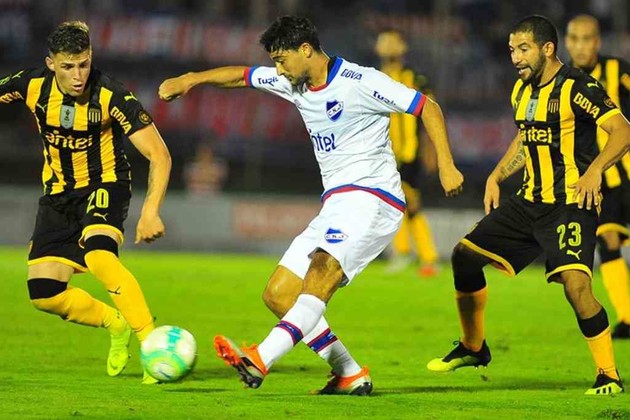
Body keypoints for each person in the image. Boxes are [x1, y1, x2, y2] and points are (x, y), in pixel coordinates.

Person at [159, 15, 463, 393]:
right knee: (279, 294)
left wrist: (446, 165)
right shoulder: (293, 80)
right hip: (335, 204)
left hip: (373, 198)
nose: (277, 69)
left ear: (305, 50)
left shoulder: (361, 81)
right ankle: (350, 373)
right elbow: (241, 76)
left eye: (281, 60)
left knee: (321, 271)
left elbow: (427, 107)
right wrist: (190, 79)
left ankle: (261, 358)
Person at [426, 15, 630, 395]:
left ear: (547, 49)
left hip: (571, 203)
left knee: (576, 286)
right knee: (464, 256)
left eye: (523, 49)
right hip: (527, 202)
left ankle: (608, 374)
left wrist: (595, 171)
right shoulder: (521, 90)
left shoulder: (578, 86)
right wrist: (496, 175)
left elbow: (622, 130)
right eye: (511, 50)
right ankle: (473, 347)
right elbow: (525, 137)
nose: (515, 58)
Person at [0, 21, 172, 384]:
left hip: (105, 183)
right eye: (68, 66)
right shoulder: (30, 85)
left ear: (90, 57)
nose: (78, 76)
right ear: (51, 64)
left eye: (83, 64)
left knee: (99, 257)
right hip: (58, 195)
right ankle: (115, 322)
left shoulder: (111, 94)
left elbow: (159, 154)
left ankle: (153, 347)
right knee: (44, 294)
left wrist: (151, 210)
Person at [565, 14, 630, 339]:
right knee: (607, 239)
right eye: (574, 39)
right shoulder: (562, 81)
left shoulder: (619, 71)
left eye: (586, 39)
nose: (580, 46)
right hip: (602, 179)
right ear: (566, 42)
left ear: (597, 42)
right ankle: (628, 318)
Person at [374, 29, 440, 277]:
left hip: (410, 152)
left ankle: (421, 256)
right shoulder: (373, 78)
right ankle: (416, 255)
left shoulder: (416, 78)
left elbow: (431, 115)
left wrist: (432, 149)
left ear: (403, 47)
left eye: (392, 40)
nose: (386, 45)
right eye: (383, 40)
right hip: (383, 153)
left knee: (409, 203)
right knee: (394, 203)